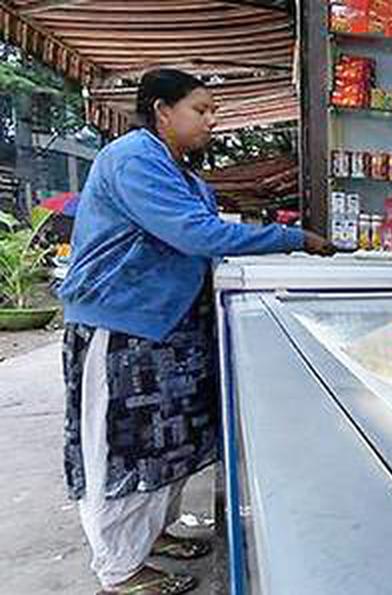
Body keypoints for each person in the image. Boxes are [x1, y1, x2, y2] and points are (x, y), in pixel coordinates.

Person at [57, 69, 335, 595]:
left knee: (168, 444)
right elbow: (192, 233)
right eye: (201, 110)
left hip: (168, 329)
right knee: (121, 448)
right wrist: (292, 238)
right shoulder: (133, 158)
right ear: (163, 110)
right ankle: (119, 569)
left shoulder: (182, 173)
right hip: (122, 326)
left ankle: (152, 536)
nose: (212, 120)